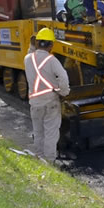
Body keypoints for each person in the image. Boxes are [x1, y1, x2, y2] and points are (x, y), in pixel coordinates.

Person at [24, 28, 70, 162]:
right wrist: (64, 92)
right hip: (50, 102)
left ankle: (39, 158)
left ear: (37, 43)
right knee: (51, 133)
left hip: (35, 103)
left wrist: (32, 45)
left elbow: (31, 53)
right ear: (51, 45)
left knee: (38, 132)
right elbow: (63, 77)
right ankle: (49, 162)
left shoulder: (27, 59)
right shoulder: (51, 60)